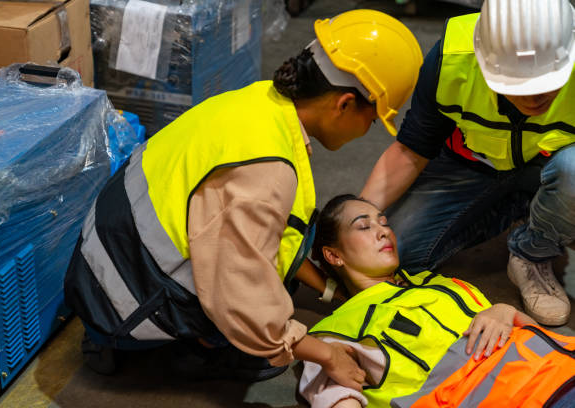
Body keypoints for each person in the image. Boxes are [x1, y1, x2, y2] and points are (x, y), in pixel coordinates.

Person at [63, 9, 423, 385]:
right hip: (120, 300)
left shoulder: (261, 104)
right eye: (373, 118)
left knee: (279, 282)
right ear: (345, 103)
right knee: (269, 351)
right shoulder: (264, 172)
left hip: (106, 255)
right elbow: (242, 299)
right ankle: (189, 347)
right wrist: (325, 354)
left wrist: (331, 290)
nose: (369, 130)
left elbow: (278, 230)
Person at [360, 0, 575, 326]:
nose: (534, 97)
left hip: (553, 171)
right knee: (394, 255)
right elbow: (410, 151)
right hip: (470, 166)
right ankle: (522, 211)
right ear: (484, 59)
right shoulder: (451, 57)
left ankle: (532, 252)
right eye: (518, 84)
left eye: (547, 82)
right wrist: (356, 219)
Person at [299, 194, 575, 408]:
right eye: (364, 226)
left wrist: (505, 311)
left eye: (384, 222)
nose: (383, 231)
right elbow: (336, 397)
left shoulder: (439, 284)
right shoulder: (337, 330)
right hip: (519, 398)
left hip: (561, 368)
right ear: (334, 256)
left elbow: (534, 337)